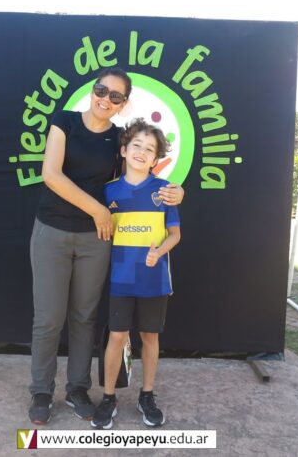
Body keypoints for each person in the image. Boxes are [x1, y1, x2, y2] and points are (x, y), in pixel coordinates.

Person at [28, 68, 184, 425]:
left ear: (123, 104)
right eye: (102, 90)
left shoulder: (118, 139)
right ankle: (41, 391)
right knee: (48, 318)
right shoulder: (64, 121)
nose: (106, 99)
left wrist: (178, 191)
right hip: (51, 231)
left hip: (96, 239)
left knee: (84, 317)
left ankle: (77, 389)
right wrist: (98, 209)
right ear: (92, 90)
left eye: (116, 96)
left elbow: (139, 176)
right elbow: (51, 174)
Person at [91, 118, 181, 430]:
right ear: (124, 150)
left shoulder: (165, 192)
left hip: (154, 279)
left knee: (149, 337)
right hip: (121, 278)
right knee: (117, 336)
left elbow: (175, 234)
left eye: (150, 149)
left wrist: (160, 251)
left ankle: (147, 395)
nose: (142, 152)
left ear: (156, 159)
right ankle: (108, 397)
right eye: (137, 145)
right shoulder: (109, 191)